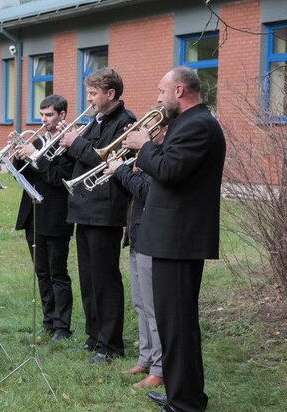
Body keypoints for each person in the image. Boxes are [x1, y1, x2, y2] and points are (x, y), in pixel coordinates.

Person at [122, 67, 225, 412]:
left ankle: (186, 404)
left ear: (179, 90)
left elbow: (170, 170)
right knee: (174, 323)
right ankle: (184, 394)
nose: (158, 98)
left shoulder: (198, 125)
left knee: (178, 324)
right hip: (171, 238)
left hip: (179, 241)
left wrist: (143, 146)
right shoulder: (188, 123)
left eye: (161, 91)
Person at [57, 67, 136, 363]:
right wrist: (65, 142)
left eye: (93, 93)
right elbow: (81, 155)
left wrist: (76, 143)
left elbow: (106, 162)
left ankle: (111, 344)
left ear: (110, 94)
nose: (88, 99)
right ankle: (94, 336)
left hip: (105, 210)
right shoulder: (95, 121)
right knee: (88, 278)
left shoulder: (125, 123)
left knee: (105, 279)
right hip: (84, 208)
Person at [104, 120, 169, 390]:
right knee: (140, 303)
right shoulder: (146, 155)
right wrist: (120, 171)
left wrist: (121, 170)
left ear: (164, 130)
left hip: (152, 237)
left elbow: (146, 190)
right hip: (136, 234)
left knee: (154, 308)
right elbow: (131, 190)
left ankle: (160, 368)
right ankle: (145, 358)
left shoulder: (161, 156)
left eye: (152, 128)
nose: (147, 131)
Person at [12, 95, 75, 342]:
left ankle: (62, 327)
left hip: (57, 215)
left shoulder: (69, 143)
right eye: (42, 115)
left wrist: (37, 155)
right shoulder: (38, 140)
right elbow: (25, 174)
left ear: (62, 115)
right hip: (33, 214)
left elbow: (59, 179)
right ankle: (49, 321)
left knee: (58, 272)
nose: (44, 120)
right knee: (41, 271)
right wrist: (18, 154)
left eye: (49, 115)